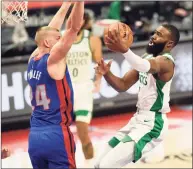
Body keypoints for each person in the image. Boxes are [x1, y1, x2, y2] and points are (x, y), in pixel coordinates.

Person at [94, 24, 180, 168]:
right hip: (137, 120)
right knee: (98, 164)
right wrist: (106, 73)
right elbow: (122, 85)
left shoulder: (166, 62)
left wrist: (125, 50)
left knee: (106, 166)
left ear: (169, 43)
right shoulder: (146, 57)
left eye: (159, 35)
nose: (153, 36)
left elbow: (145, 66)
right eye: (155, 32)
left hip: (153, 123)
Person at [27, 2, 84, 168]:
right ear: (47, 43)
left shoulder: (32, 59)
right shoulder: (53, 60)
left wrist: (66, 4)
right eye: (58, 39)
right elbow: (74, 28)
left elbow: (49, 31)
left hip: (35, 136)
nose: (61, 40)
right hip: (56, 133)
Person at [64, 10, 102, 162]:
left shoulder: (92, 39)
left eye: (80, 20)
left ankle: (91, 163)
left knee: (83, 133)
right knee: (60, 135)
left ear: (85, 23)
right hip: (63, 88)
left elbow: (99, 63)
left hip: (82, 88)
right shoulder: (60, 37)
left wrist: (98, 81)